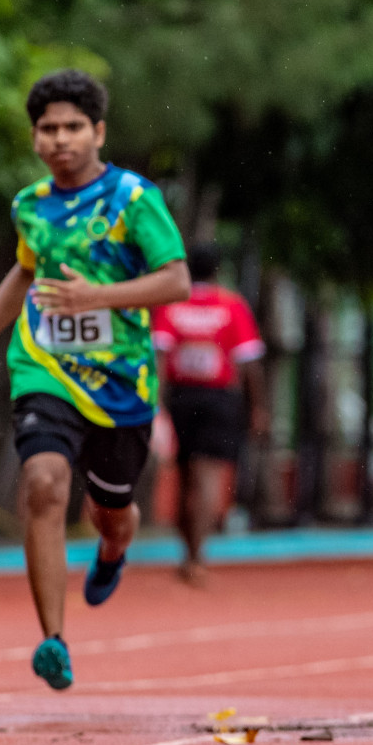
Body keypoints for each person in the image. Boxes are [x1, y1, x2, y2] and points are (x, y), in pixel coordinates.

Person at [0, 70, 189, 689]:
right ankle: (53, 640)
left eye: (73, 127)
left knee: (112, 513)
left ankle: (114, 549)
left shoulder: (134, 200)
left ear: (98, 132)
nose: (60, 139)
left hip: (121, 383)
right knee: (42, 483)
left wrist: (99, 297)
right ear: (35, 138)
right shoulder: (30, 205)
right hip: (45, 368)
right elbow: (23, 273)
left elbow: (176, 280)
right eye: (48, 128)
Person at [151, 242, 268, 586]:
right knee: (208, 476)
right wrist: (258, 406)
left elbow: (159, 356)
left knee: (185, 475)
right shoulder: (232, 305)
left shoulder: (173, 304)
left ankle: (189, 553)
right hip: (220, 399)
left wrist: (157, 405)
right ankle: (196, 556)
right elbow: (249, 363)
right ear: (217, 270)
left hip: (181, 397)